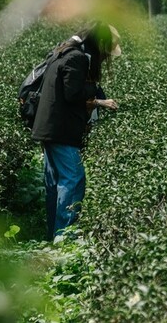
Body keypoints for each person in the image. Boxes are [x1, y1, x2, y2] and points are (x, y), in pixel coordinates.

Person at [31, 22, 120, 240]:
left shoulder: (65, 51)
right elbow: (72, 94)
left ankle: (54, 235)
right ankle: (65, 237)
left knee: (55, 182)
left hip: (50, 128)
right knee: (73, 179)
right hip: (61, 129)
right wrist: (96, 95)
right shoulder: (77, 58)